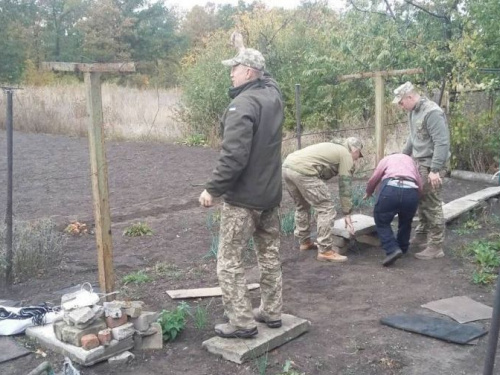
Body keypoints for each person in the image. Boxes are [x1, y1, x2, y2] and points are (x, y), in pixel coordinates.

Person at [198, 46, 284, 339]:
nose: (230, 73)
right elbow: (267, 76)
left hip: (244, 201)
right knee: (269, 257)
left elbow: (233, 156)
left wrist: (213, 188)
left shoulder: (242, 105)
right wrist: (242, 48)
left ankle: (242, 322)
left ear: (248, 72)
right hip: (270, 196)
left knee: (229, 261)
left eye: (234, 68)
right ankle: (271, 312)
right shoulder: (273, 95)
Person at [393, 81, 451, 260]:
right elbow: (413, 136)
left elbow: (442, 142)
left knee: (432, 203)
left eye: (401, 102)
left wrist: (435, 170)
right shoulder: (414, 111)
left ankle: (435, 245)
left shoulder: (432, 112)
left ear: (410, 96)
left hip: (432, 164)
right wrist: (403, 156)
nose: (401, 106)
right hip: (420, 163)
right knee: (421, 200)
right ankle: (422, 234)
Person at [282, 138, 363, 262]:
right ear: (355, 149)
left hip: (287, 166)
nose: (357, 158)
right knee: (326, 208)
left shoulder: (333, 147)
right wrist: (347, 213)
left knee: (301, 206)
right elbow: (345, 185)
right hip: (305, 171)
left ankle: (304, 242)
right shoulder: (345, 154)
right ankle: (325, 250)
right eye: (358, 155)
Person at [364, 153, 423, 266]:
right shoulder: (411, 161)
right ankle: (402, 248)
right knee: (406, 221)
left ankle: (392, 249)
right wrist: (417, 197)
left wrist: (369, 191)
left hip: (391, 189)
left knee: (381, 220)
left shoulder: (386, 159)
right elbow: (419, 183)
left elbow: (374, 178)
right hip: (411, 191)